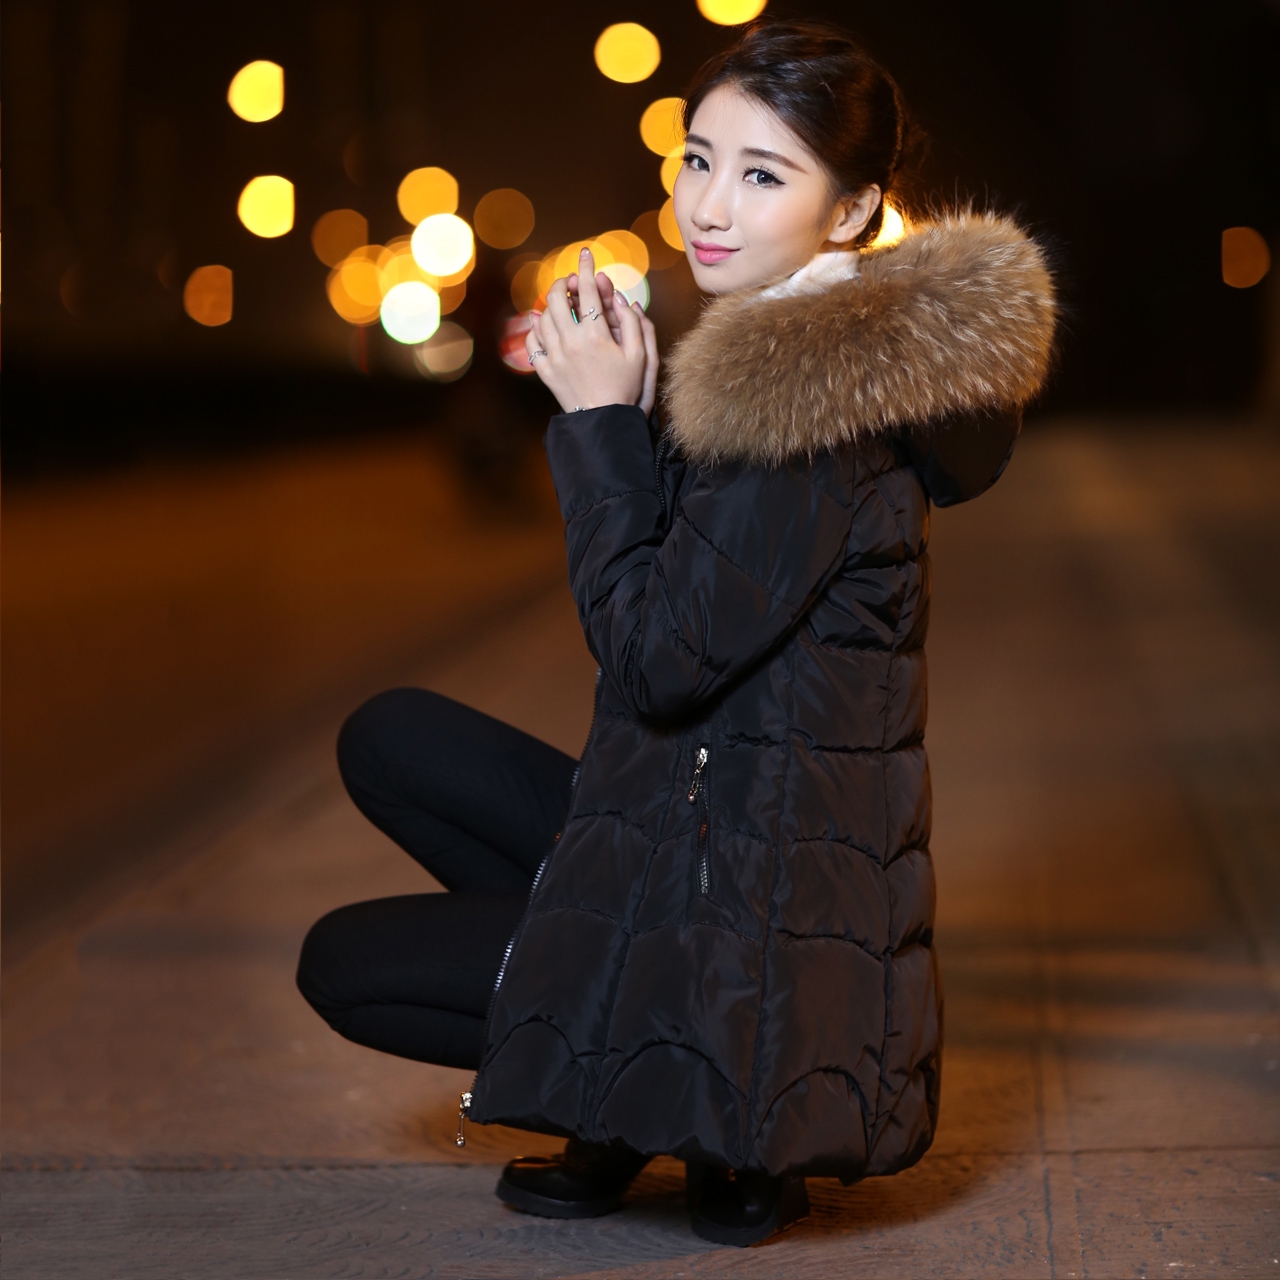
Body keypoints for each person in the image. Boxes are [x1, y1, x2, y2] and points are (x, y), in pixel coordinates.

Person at [297, 18, 1057, 1247]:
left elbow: (652, 659)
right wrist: (647, 413)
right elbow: (709, 603)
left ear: (853, 211)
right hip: (723, 836)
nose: (706, 204)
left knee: (343, 961)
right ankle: (623, 1083)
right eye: (697, 158)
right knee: (391, 739)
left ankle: (650, 1094)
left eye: (761, 175)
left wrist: (599, 426)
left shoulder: (804, 405)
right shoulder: (798, 354)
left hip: (750, 968)